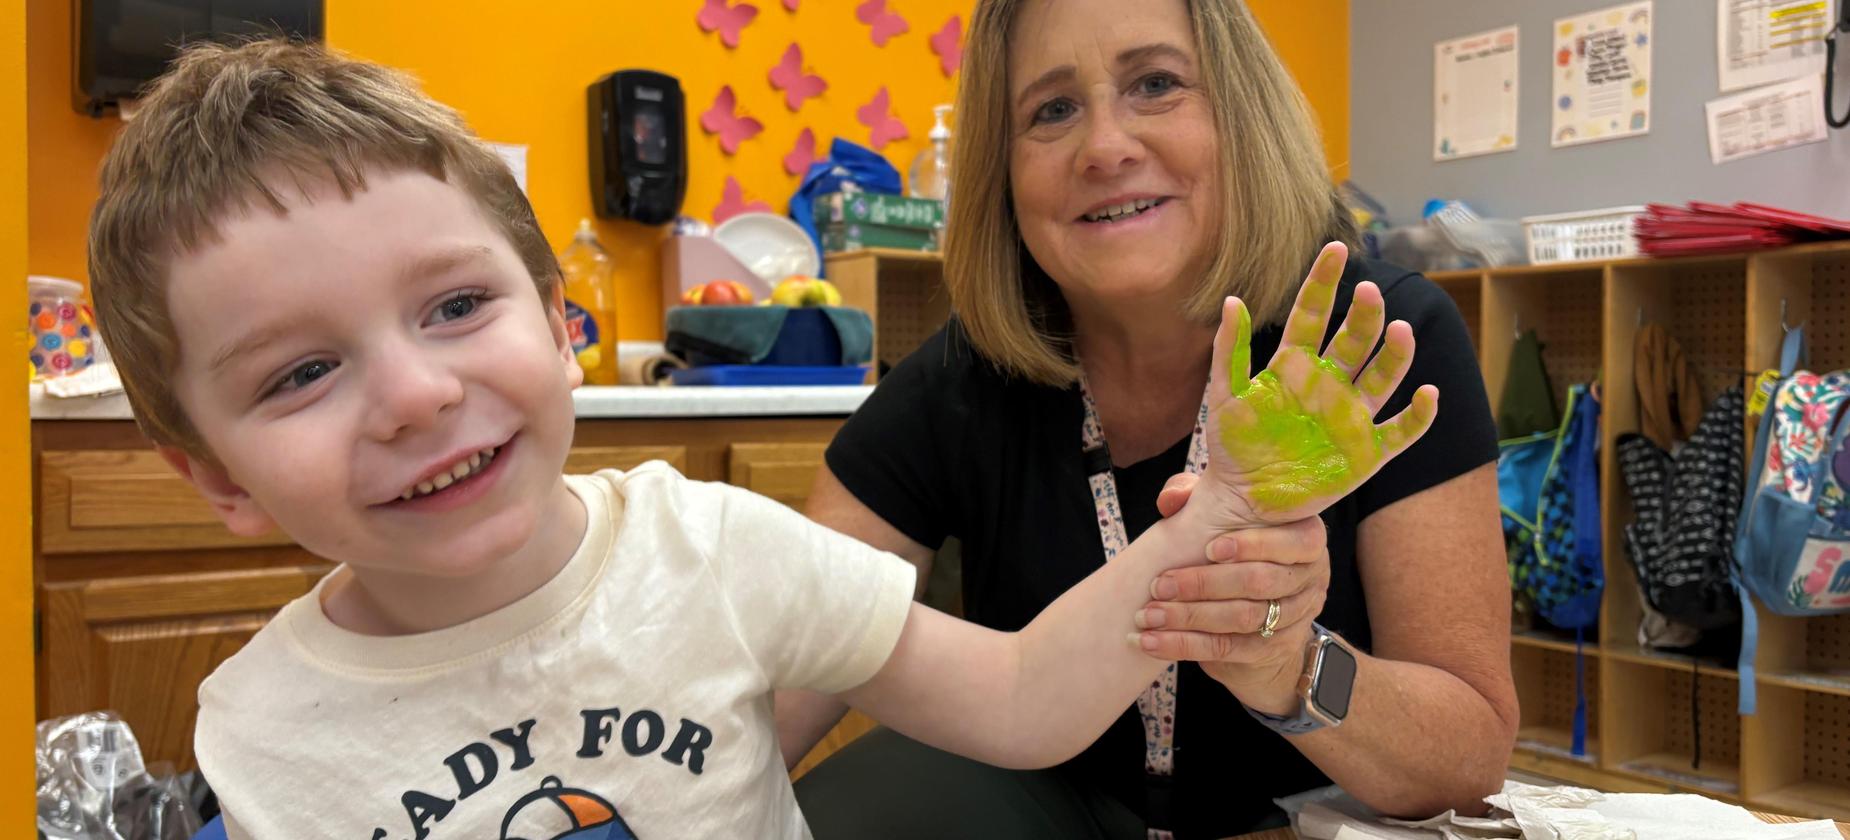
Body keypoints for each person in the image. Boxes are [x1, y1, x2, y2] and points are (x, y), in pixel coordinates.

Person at [86, 40, 1433, 839]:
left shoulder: (715, 549)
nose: (415, 395)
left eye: (454, 306)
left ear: (560, 323)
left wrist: (1216, 516)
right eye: (305, 370)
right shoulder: (257, 727)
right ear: (211, 471)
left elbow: (1022, 698)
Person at [784, 0, 1520, 837]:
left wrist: (1286, 662)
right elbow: (782, 671)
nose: (1105, 147)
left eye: (1157, 83)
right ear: (1002, 171)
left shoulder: (1371, 343)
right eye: (1051, 110)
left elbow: (1467, 759)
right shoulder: (961, 380)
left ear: (1242, 115)